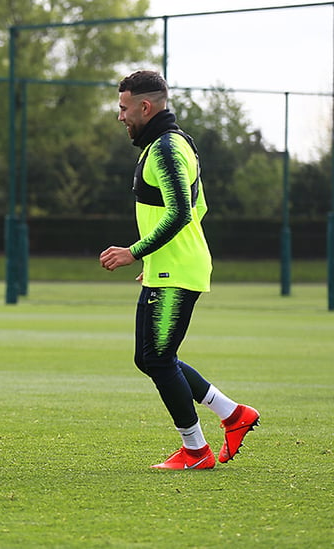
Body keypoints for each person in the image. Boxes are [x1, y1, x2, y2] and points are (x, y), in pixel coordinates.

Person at [100, 70, 259, 470]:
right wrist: (156, 260)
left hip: (176, 271)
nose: (120, 116)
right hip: (170, 267)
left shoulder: (167, 149)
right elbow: (199, 208)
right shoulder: (169, 144)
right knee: (151, 357)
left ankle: (196, 451)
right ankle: (233, 414)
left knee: (157, 358)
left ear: (145, 106)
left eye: (123, 108)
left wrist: (135, 252)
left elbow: (180, 213)